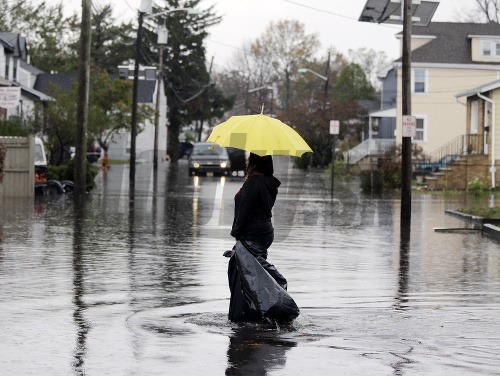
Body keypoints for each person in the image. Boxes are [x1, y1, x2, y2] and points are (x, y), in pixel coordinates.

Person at [231, 153, 281, 251]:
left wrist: (236, 234)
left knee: (240, 265)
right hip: (266, 233)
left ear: (254, 164)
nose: (247, 162)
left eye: (249, 160)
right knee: (256, 264)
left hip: (252, 235)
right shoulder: (269, 182)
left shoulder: (252, 184)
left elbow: (244, 211)